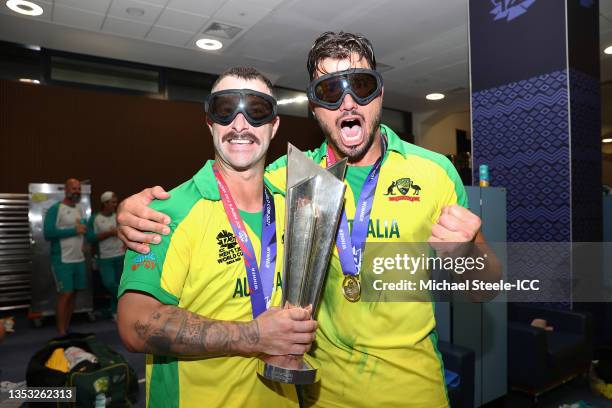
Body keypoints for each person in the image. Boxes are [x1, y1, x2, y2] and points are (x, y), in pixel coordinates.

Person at [116, 33, 500, 407]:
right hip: (319, 392)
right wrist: (130, 212)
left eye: (361, 85)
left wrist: (472, 249)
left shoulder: (434, 172)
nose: (348, 103)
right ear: (314, 108)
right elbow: (232, 178)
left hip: (413, 390)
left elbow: (483, 290)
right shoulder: (292, 178)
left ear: (380, 95)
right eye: (331, 92)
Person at [116, 66, 316, 408]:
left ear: (274, 125)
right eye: (225, 109)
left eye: (256, 110)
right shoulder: (170, 210)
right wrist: (254, 336)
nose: (240, 124)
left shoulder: (296, 207)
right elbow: (135, 325)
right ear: (210, 123)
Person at [43, 178, 88, 335]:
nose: (76, 191)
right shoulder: (56, 209)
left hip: (79, 259)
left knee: (74, 293)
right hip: (62, 260)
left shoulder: (81, 209)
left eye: (78, 189)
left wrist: (85, 242)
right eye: (73, 188)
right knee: (65, 294)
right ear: (66, 190)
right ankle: (61, 331)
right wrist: (74, 231)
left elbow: (83, 230)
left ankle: (66, 327)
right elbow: (48, 233)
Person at [87, 191, 124, 320]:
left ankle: (116, 312)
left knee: (121, 283)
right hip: (105, 258)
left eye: (116, 202)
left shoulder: (119, 216)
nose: (115, 204)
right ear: (105, 203)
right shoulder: (95, 218)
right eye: (112, 202)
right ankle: (127, 301)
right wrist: (110, 233)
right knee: (110, 284)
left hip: (120, 255)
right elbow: (90, 238)